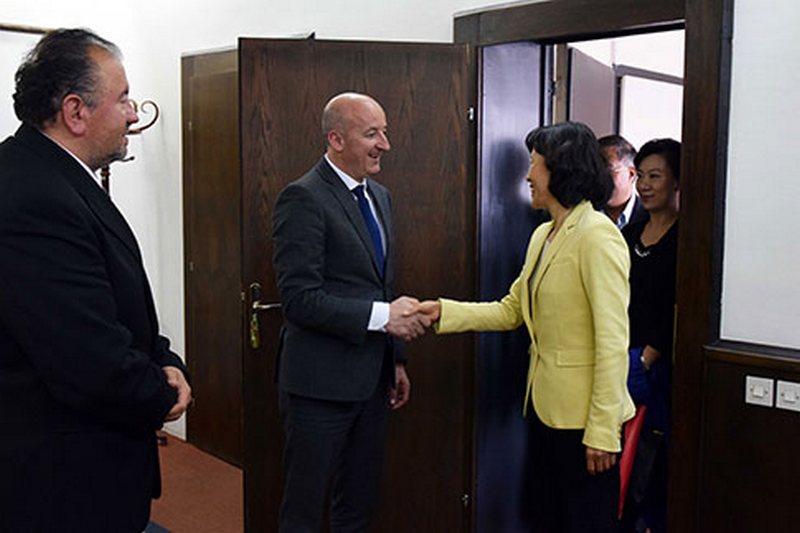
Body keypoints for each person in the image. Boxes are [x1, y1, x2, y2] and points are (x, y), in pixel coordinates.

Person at [0, 29, 191, 532]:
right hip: (60, 486)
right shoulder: (33, 196)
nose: (133, 114)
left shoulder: (55, 176)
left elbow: (118, 304)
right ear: (75, 111)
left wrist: (165, 359)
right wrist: (162, 392)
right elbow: (86, 359)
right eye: (123, 98)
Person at [416, 122, 634, 532]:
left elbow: (612, 341)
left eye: (535, 164)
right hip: (544, 409)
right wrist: (441, 312)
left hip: (585, 423)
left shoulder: (597, 236)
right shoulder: (543, 235)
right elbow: (512, 310)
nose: (528, 175)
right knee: (546, 518)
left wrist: (604, 431)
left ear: (561, 170)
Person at [271, 92, 429, 532]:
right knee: (304, 510)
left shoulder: (380, 196)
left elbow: (381, 286)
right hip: (318, 386)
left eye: (385, 133)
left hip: (373, 380)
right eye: (372, 134)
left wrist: (395, 359)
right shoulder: (302, 198)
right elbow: (300, 299)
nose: (385, 145)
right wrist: (383, 318)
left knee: (358, 504)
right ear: (336, 140)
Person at [619, 138, 681, 533]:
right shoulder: (629, 234)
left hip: (658, 368)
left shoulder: (688, 238)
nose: (644, 185)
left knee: (651, 463)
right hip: (620, 357)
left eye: (654, 176)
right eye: (640, 175)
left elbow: (680, 306)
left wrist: (647, 357)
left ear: (677, 182)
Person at [599, 134, 647, 229]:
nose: (599, 177)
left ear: (631, 174)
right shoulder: (583, 217)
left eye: (607, 169)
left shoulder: (651, 217)